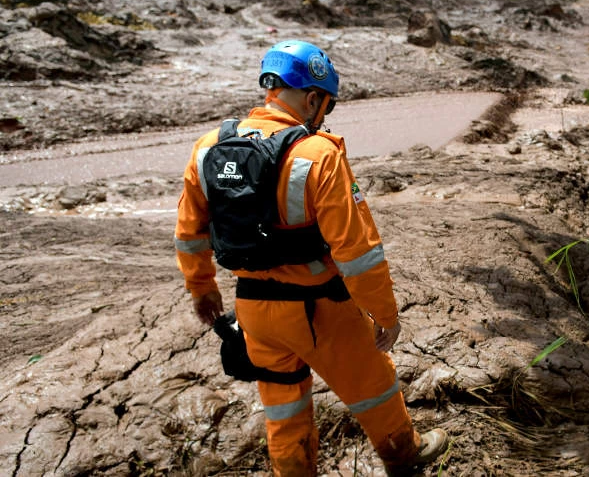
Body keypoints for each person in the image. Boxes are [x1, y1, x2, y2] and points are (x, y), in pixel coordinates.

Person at [174, 40, 447, 476]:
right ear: (314, 97)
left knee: (283, 406)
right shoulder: (318, 155)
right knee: (374, 386)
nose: (325, 114)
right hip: (321, 308)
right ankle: (404, 453)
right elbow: (358, 253)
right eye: (327, 105)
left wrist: (201, 289)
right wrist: (385, 315)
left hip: (254, 311)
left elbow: (190, 233)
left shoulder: (209, 148)